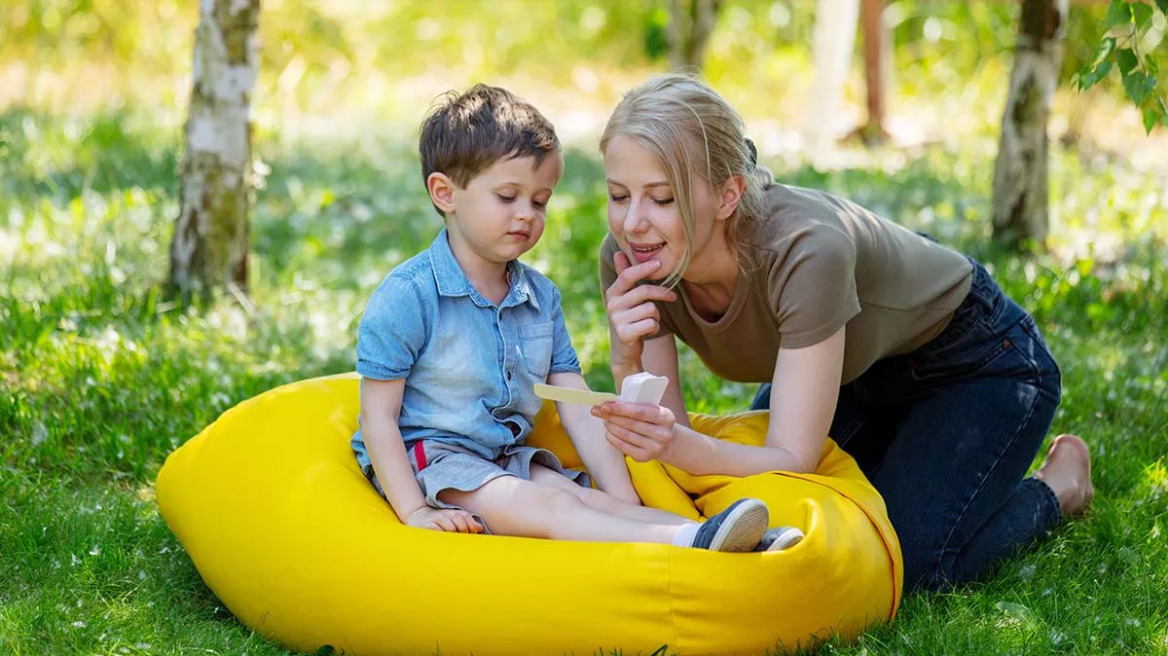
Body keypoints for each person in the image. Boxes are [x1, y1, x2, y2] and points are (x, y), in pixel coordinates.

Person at [590, 73, 1095, 590]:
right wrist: (627, 364)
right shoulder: (632, 258)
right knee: (763, 511)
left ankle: (1059, 487)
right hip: (852, 374)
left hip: (975, 359)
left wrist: (676, 444)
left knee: (902, 562)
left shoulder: (806, 250)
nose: (632, 223)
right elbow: (670, 445)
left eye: (661, 198)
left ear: (728, 195)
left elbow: (788, 458)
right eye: (618, 195)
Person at [351, 83, 775, 553]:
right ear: (445, 193)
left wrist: (622, 496)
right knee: (556, 509)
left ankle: (731, 539)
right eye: (508, 196)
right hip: (433, 464)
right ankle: (690, 542)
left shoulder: (540, 297)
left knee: (582, 496)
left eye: (539, 201)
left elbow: (574, 401)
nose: (526, 215)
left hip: (503, 458)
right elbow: (378, 417)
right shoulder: (409, 296)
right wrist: (415, 511)